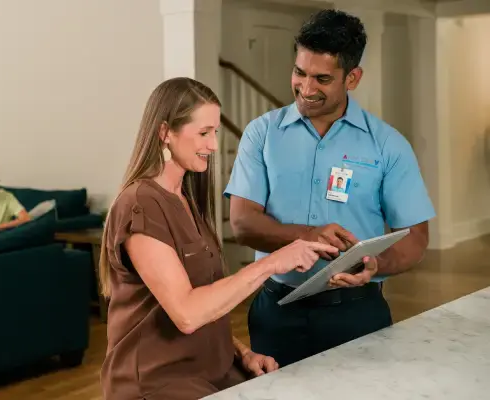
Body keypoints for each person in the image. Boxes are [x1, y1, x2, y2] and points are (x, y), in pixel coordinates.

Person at [98, 77, 338, 400]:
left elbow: (210, 304)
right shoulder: (140, 204)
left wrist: (240, 354)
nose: (213, 145)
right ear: (165, 132)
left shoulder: (186, 199)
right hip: (157, 383)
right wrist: (273, 262)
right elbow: (187, 313)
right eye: (203, 133)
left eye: (215, 132)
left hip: (210, 372)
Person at [224, 9, 436, 368]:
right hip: (276, 311)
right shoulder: (261, 134)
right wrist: (310, 235)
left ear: (352, 78)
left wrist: (376, 263)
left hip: (357, 313)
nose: (306, 89)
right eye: (299, 72)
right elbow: (242, 224)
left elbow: (416, 236)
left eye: (322, 78)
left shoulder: (387, 145)